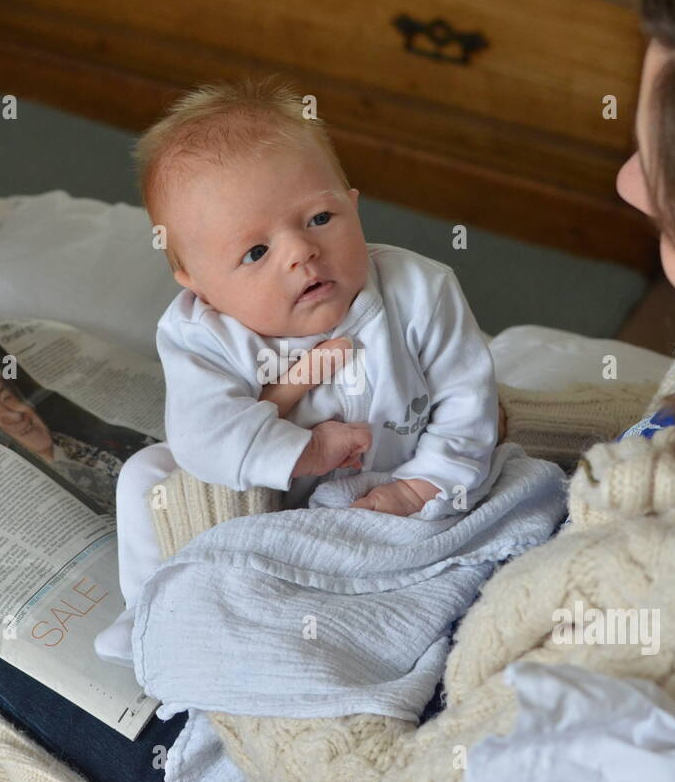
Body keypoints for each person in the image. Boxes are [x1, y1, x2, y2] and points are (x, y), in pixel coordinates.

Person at [114, 0, 675, 782]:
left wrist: (207, 518)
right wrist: (491, 421)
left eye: (663, 164)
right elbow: (664, 423)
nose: (629, 183)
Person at [93, 77, 506, 668]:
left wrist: (420, 486)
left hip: (398, 474)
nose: (300, 251)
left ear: (354, 203)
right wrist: (307, 453)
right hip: (268, 491)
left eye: (318, 217)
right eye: (255, 253)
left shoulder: (420, 291)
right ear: (199, 285)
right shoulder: (202, 334)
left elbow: (468, 402)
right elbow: (204, 435)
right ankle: (155, 604)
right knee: (144, 478)